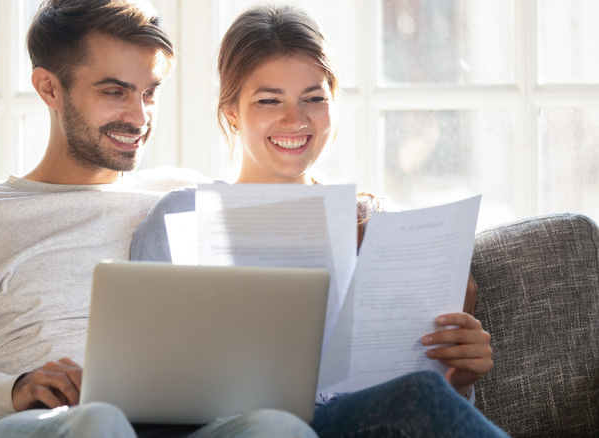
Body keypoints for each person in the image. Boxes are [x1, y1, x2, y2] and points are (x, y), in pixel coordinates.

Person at [0, 1, 318, 437]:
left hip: (176, 422)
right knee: (99, 422)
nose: (139, 116)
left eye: (150, 92)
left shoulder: (182, 198)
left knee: (277, 426)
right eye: (114, 91)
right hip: (39, 423)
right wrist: (15, 389)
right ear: (49, 88)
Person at [130, 4, 507, 437]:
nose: (295, 120)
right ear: (231, 111)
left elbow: (418, 403)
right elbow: (143, 387)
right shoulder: (181, 216)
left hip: (368, 424)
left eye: (314, 98)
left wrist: (459, 380)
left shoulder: (378, 221)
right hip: (240, 429)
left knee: (421, 392)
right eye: (269, 100)